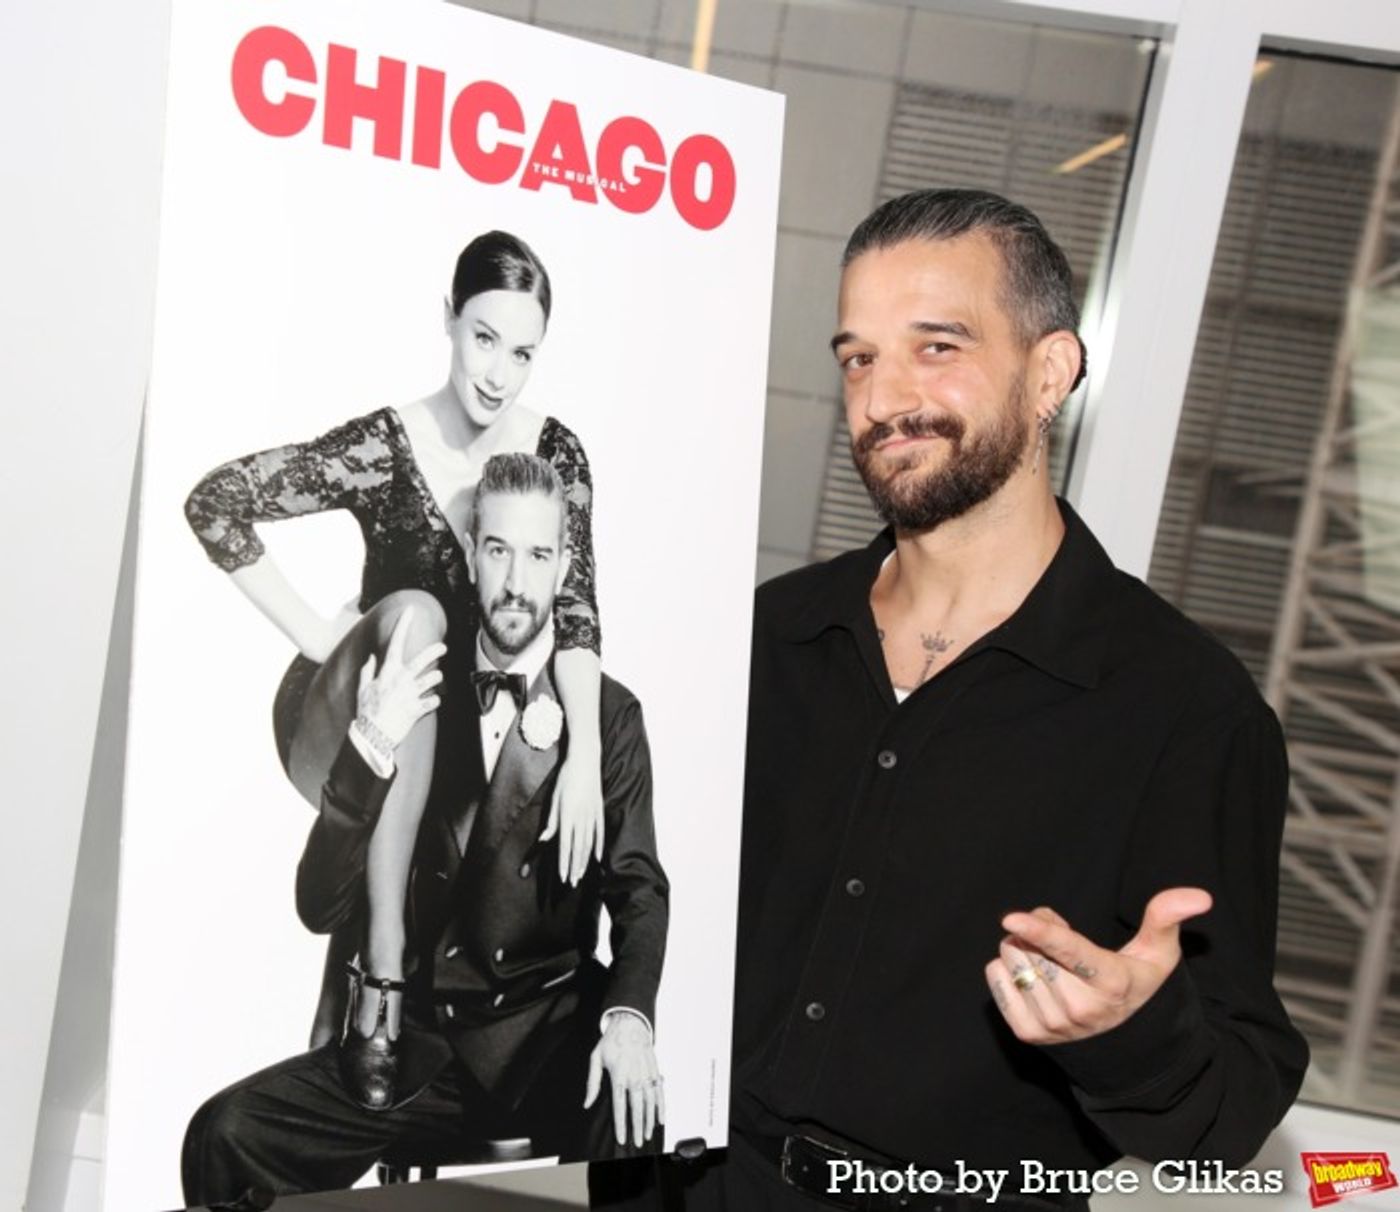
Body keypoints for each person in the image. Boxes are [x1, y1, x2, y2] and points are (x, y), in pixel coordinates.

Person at [591, 188, 1307, 1211]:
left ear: (1049, 371)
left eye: (936, 347)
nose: (884, 399)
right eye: (858, 357)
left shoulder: (1185, 712)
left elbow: (1227, 1121)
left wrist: (1128, 1036)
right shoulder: (763, 638)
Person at [183, 231, 607, 1108]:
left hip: (447, 752)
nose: (498, 371)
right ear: (447, 320)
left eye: (522, 352)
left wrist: (591, 765)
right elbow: (215, 502)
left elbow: (576, 615)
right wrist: (317, 636)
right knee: (416, 615)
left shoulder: (553, 458)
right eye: (483, 337)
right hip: (348, 722)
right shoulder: (384, 445)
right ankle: (379, 966)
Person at [182, 453, 669, 1209]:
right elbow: (318, 906)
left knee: (633, 1117)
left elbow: (640, 893)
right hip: (418, 1046)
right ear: (472, 553)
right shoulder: (409, 690)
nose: (515, 581)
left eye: (538, 555)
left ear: (564, 565)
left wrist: (629, 1018)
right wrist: (371, 745)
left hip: (548, 1038)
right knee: (225, 1132)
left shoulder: (606, 718)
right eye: (499, 550)